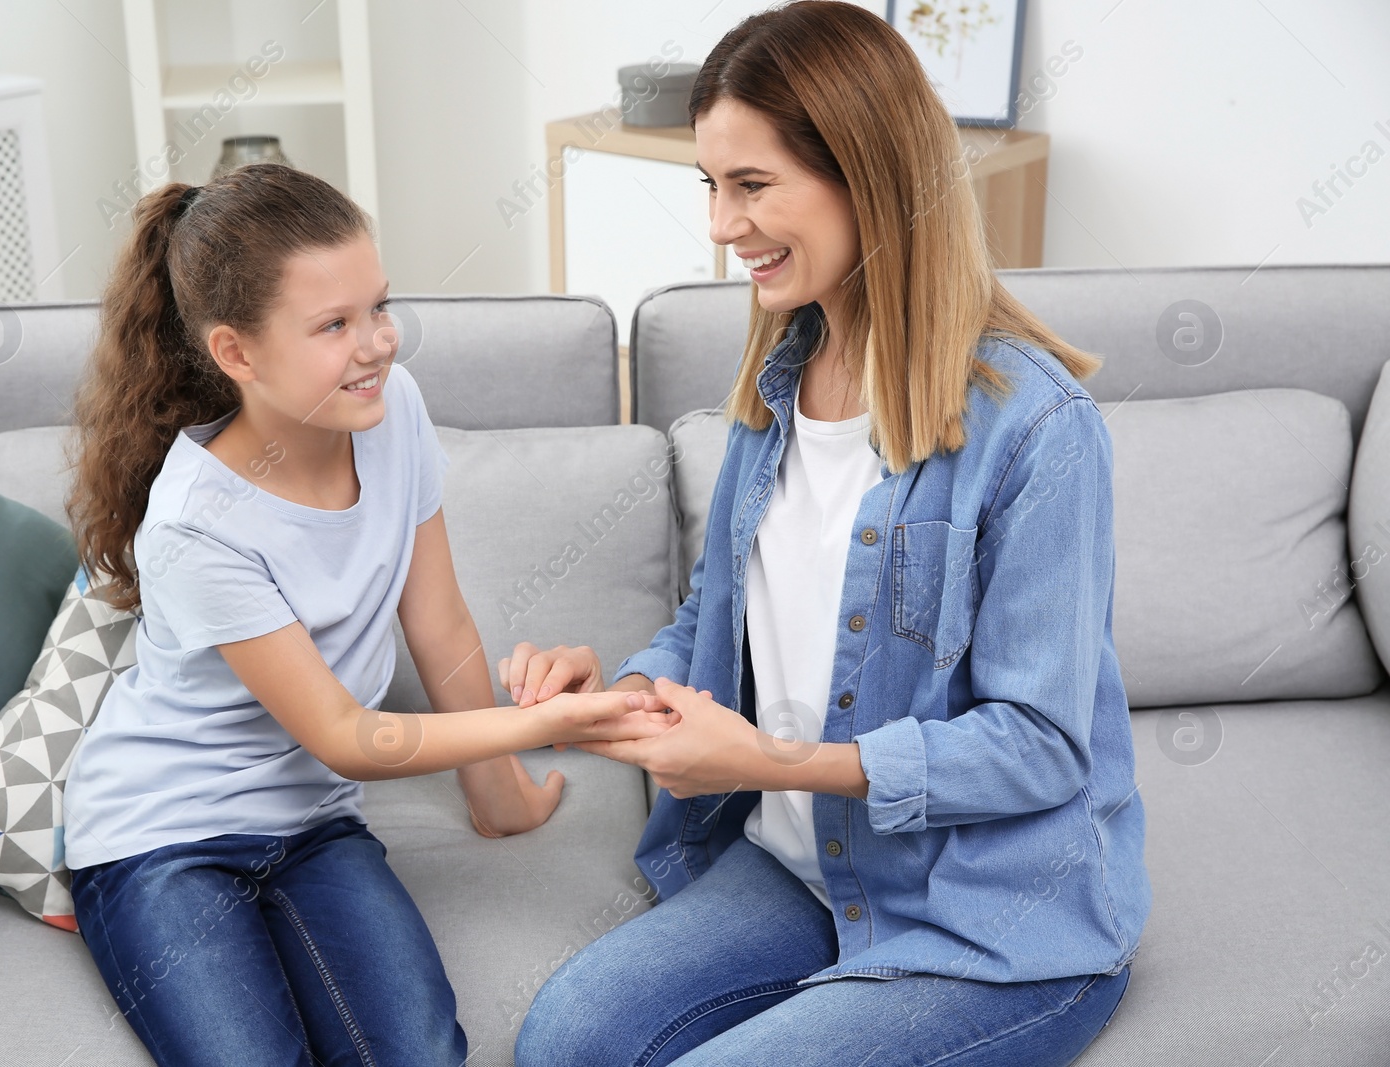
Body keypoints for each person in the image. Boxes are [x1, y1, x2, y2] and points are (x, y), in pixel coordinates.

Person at [507, 4, 1150, 1065]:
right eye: (709, 186)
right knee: (562, 1039)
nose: (720, 224)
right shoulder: (772, 390)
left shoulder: (1038, 430)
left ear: (868, 176)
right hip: (805, 869)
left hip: (988, 923)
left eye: (752, 186)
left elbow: (1039, 745)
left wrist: (771, 757)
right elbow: (722, 616)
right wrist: (619, 693)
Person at [59, 162, 672, 1067]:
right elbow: (346, 736)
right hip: (163, 840)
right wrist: (542, 720)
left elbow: (440, 623)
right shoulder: (199, 522)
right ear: (236, 353)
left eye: (377, 308)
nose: (376, 344)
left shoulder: (391, 411)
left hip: (311, 829)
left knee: (419, 1054)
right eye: (333, 325)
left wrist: (499, 793)